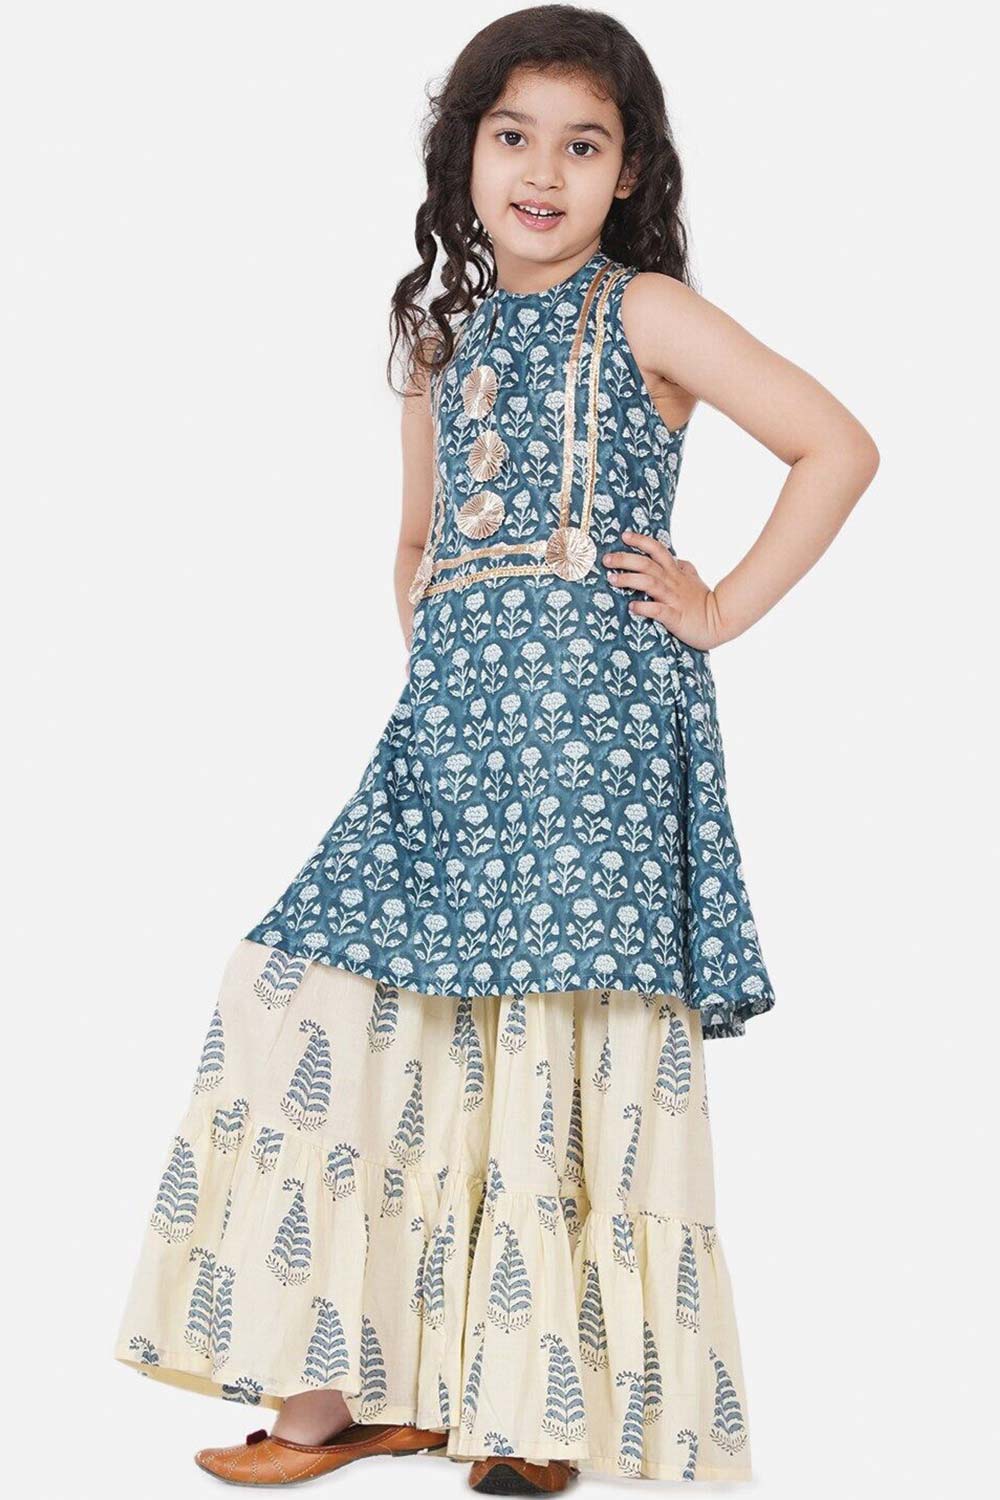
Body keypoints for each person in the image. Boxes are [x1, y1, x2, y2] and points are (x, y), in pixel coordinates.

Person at [112, 5, 879, 1492]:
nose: (542, 171)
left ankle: (540, 1417)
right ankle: (353, 1392)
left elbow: (836, 445)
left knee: (556, 1037)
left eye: (582, 146)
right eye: (513, 136)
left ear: (628, 171)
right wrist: (454, 659)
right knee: (309, 993)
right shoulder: (438, 343)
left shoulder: (645, 312)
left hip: (593, 749)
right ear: (461, 153)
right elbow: (411, 543)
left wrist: (717, 607)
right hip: (451, 748)